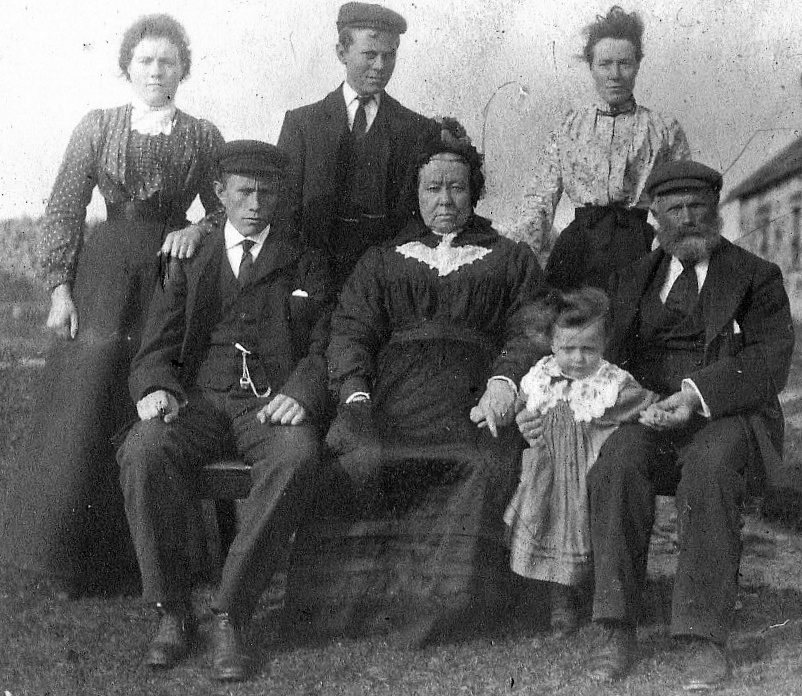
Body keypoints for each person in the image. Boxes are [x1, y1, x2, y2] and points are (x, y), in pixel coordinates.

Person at [519, 160, 793, 690]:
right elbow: (586, 355)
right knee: (616, 463)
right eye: (675, 209)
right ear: (655, 218)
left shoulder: (755, 276)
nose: (689, 218)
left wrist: (695, 395)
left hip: (725, 416)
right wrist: (546, 404)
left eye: (699, 208)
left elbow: (770, 359)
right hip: (645, 412)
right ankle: (615, 628)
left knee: (711, 470)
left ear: (715, 213)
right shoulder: (631, 279)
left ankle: (700, 638)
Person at [283, 125, 545, 646]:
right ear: (416, 193)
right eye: (432, 189)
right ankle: (353, 608)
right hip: (393, 395)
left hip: (474, 400)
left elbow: (530, 329)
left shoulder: (512, 258)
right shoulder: (382, 260)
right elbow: (351, 330)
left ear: (474, 191)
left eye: (456, 188)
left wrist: (504, 381)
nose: (444, 201)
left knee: (479, 463)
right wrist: (355, 395)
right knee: (361, 455)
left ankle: (452, 609)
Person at [0, 14, 225, 598]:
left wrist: (198, 233)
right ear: (127, 67)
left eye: (168, 61)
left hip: (170, 281)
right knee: (89, 403)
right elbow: (65, 206)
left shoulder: (202, 136)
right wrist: (58, 288)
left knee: (154, 398)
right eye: (146, 60)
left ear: (183, 70)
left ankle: (153, 560)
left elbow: (227, 207)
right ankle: (74, 560)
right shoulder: (97, 128)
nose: (157, 71)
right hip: (103, 277)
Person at [117, 140, 331, 682]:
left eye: (266, 192)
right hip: (201, 401)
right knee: (144, 448)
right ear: (220, 194)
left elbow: (326, 343)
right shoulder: (188, 257)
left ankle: (231, 613)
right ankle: (170, 610)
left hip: (269, 404)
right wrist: (156, 388)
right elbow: (153, 348)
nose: (256, 203)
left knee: (296, 455)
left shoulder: (307, 256)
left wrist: (302, 393)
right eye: (244, 191)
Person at [503, 287, 656, 638]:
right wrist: (511, 413)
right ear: (551, 344)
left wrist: (662, 408)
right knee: (550, 533)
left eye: (588, 349)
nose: (577, 359)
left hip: (586, 477)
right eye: (567, 349)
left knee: (589, 536)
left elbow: (643, 402)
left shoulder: (609, 385)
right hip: (548, 478)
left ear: (603, 346)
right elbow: (521, 403)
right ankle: (560, 604)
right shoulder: (542, 376)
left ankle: (596, 599)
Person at [515, 5, 690, 291]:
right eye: (605, 64)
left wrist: (666, 258)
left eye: (625, 63)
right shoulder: (568, 127)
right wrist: (519, 261)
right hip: (577, 251)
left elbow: (680, 202)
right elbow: (539, 202)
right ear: (591, 67)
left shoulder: (663, 129)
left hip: (641, 251)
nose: (615, 74)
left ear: (638, 65)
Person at [277, 1, 440, 288]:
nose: (380, 66)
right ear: (342, 53)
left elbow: (419, 221)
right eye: (370, 54)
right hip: (311, 282)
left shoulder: (417, 130)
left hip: (387, 282)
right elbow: (284, 214)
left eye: (389, 56)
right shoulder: (302, 125)